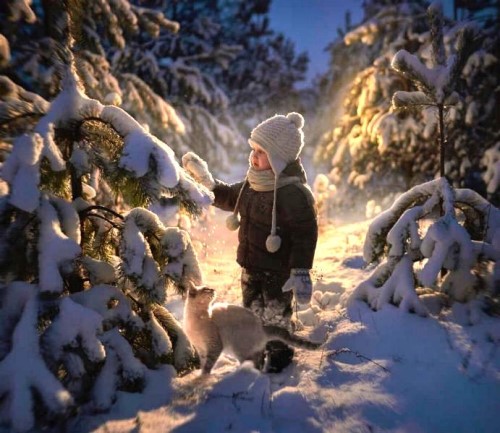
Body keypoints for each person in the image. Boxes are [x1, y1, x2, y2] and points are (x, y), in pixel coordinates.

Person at [182, 112, 318, 373]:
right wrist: (208, 182)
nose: (253, 156)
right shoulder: (251, 184)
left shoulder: (293, 194)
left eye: (261, 151)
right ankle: (255, 352)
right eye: (253, 149)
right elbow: (229, 198)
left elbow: (305, 234)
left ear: (279, 158)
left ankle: (279, 357)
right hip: (250, 265)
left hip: (278, 271)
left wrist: (300, 271)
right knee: (251, 314)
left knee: (275, 313)